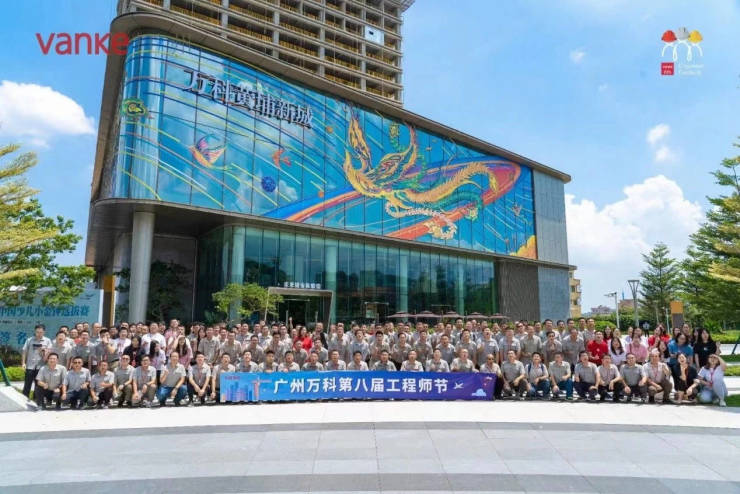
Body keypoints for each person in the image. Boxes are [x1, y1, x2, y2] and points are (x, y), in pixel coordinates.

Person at [21, 324, 52, 398]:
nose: (39, 334)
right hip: (30, 366)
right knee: (27, 384)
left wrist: (44, 351)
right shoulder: (29, 340)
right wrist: (23, 363)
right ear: (35, 331)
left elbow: (49, 353)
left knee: (38, 385)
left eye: (41, 332)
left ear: (44, 332)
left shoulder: (47, 341)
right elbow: (24, 351)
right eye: (37, 332)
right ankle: (24, 399)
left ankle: (36, 400)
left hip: (41, 367)